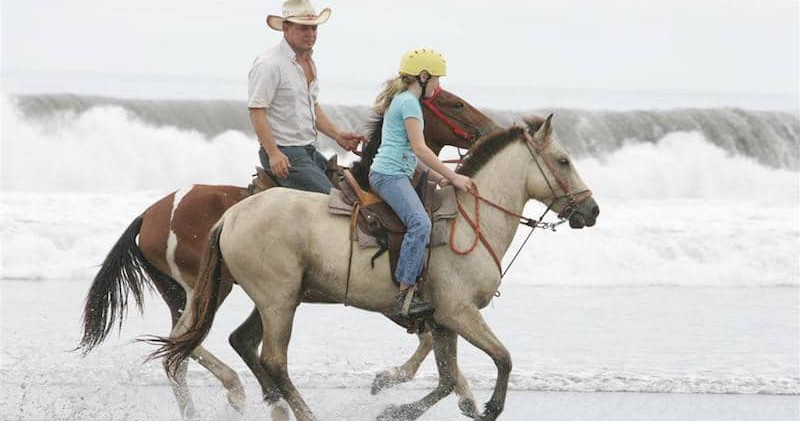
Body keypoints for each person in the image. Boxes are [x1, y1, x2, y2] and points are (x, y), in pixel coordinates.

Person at [369, 48, 475, 318]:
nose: (439, 86)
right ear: (424, 77)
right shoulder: (409, 103)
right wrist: (454, 177)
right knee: (420, 223)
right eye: (438, 80)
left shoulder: (404, 100)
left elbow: (406, 152)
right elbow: (421, 149)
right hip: (389, 175)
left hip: (396, 171)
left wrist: (439, 177)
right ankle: (404, 296)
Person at [248, 0, 366, 193]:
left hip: (308, 151)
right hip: (286, 153)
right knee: (333, 202)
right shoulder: (269, 64)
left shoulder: (308, 62)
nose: (310, 34)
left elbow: (312, 105)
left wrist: (337, 134)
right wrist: (274, 154)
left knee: (353, 190)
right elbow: (257, 111)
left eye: (314, 28)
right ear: (286, 28)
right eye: (304, 28)